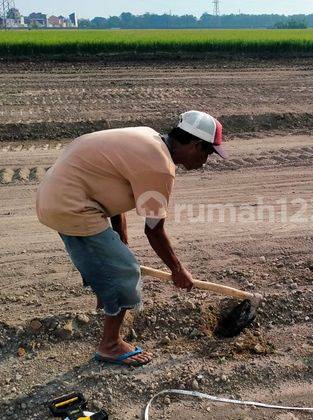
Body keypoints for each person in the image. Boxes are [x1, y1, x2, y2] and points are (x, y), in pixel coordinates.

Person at [36, 111, 227, 367]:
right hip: (71, 205)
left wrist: (120, 246)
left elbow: (115, 198)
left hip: (59, 194)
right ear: (194, 144)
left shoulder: (147, 138)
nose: (206, 160)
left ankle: (108, 297)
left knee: (115, 261)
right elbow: (154, 231)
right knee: (125, 273)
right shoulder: (159, 165)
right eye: (208, 153)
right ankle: (110, 346)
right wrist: (178, 271)